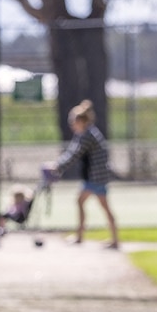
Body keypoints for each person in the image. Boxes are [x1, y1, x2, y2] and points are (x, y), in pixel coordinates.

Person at [44, 99, 119, 249]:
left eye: (73, 122)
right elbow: (72, 151)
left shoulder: (87, 135)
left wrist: (57, 166)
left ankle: (92, 237)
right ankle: (101, 238)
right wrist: (58, 165)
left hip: (96, 177)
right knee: (88, 203)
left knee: (90, 203)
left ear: (81, 121)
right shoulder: (86, 133)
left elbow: (73, 154)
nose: (72, 125)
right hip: (93, 176)